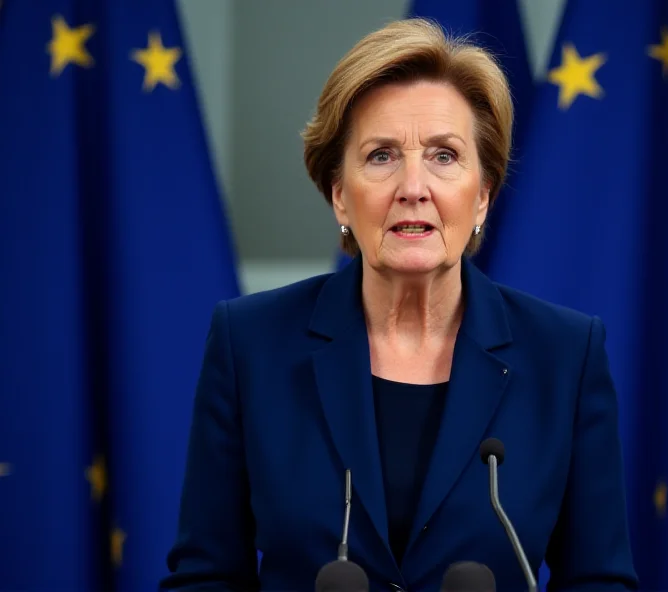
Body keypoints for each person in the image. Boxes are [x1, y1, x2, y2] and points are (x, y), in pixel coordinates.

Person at [160, 18, 639, 592]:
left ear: (482, 194)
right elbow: (205, 578)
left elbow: (599, 581)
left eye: (444, 156)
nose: (414, 186)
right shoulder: (251, 344)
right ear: (340, 194)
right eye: (382, 156)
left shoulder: (565, 355)